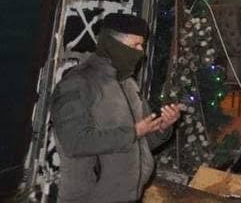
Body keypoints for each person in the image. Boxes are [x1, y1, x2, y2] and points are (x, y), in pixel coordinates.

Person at [51, 13, 181, 203]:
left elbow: (142, 143)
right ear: (112, 44)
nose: (141, 52)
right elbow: (75, 142)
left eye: (142, 45)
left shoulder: (129, 84)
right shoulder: (77, 83)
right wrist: (134, 132)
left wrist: (162, 127)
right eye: (135, 45)